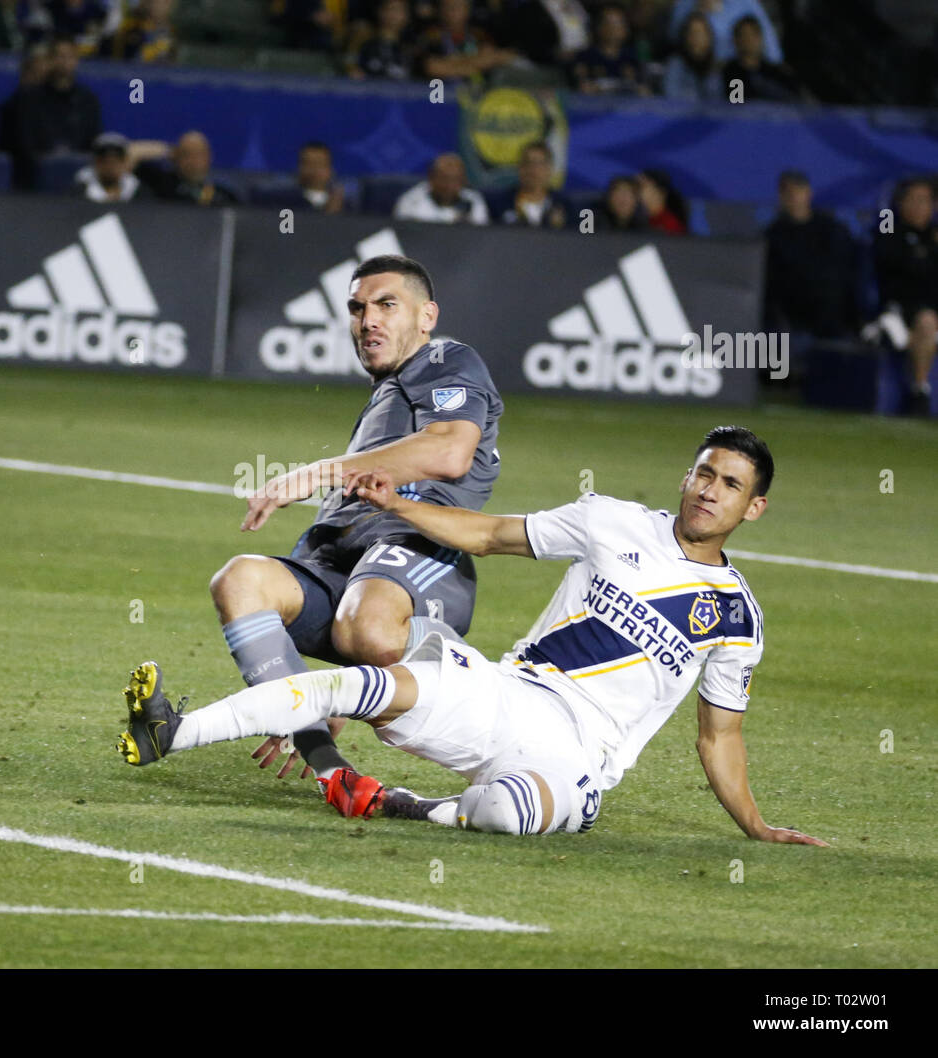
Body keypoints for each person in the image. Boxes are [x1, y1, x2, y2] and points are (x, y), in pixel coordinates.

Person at [118, 426, 829, 850]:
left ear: (753, 507)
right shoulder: (612, 520)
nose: (709, 489)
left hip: (580, 756)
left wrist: (757, 827)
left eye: (729, 484)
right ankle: (169, 733)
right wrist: (399, 504)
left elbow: (720, 737)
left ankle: (411, 807)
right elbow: (490, 535)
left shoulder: (737, 618)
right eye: (704, 471)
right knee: (359, 684)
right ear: (687, 474)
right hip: (506, 693)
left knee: (503, 813)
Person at [204, 253, 502, 797]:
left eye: (388, 305)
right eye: (358, 308)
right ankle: (324, 758)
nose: (369, 321)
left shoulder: (446, 359)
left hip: (420, 551)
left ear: (427, 316)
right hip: (342, 559)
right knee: (239, 579)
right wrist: (314, 687)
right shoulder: (388, 397)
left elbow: (451, 451)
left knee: (363, 625)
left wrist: (317, 472)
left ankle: (499, 734)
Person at [762, 170, 858, 340]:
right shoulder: (772, 236)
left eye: (798, 191)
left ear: (809, 193)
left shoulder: (832, 229)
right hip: (793, 311)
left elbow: (846, 269)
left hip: (832, 311)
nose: (793, 197)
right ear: (780, 196)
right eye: (787, 192)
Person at [874, 177, 938, 415]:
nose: (920, 206)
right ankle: (920, 391)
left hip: (931, 309)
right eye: (914, 199)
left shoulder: (933, 236)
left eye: (925, 200)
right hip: (898, 311)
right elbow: (895, 267)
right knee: (927, 321)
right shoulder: (889, 229)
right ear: (900, 203)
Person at [8, 34, 102, 188]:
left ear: (76, 60)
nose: (64, 62)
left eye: (70, 56)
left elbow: (93, 140)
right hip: (37, 174)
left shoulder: (87, 100)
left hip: (80, 174)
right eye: (59, 56)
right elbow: (24, 143)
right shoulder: (29, 98)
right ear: (50, 60)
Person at [133, 130, 238, 206]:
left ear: (209, 157)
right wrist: (167, 150)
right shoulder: (163, 183)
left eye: (199, 154)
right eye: (187, 154)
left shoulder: (223, 194)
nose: (193, 161)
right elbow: (131, 154)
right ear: (176, 157)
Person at [569, 2, 648, 96]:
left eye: (620, 23)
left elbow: (644, 89)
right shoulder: (585, 57)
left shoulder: (631, 58)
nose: (616, 29)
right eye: (611, 23)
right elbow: (580, 86)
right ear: (598, 27)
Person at [720, 15, 801, 102]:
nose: (748, 39)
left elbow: (794, 100)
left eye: (753, 34)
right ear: (735, 40)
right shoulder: (730, 72)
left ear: (761, 38)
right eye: (743, 35)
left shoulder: (777, 72)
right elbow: (736, 104)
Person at [393, 153, 489, 224]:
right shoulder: (411, 202)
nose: (450, 185)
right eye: (444, 179)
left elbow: (482, 236)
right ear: (431, 178)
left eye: (456, 179)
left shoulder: (473, 201)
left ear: (464, 181)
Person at [497, 139, 570, 229]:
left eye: (539, 164)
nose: (532, 169)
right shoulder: (500, 204)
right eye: (527, 162)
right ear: (519, 167)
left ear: (549, 169)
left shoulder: (565, 206)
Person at [256, 141, 347, 214]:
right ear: (299, 167)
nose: (314, 170)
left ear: (330, 169)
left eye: (320, 164)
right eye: (308, 163)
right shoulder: (284, 203)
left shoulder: (346, 207)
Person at [346, 0, 417, 80]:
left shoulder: (413, 46)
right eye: (389, 9)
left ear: (407, 16)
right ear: (380, 12)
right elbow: (349, 63)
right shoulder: (363, 39)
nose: (393, 15)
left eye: (398, 10)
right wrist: (352, 70)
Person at [661, 10, 722, 101]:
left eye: (700, 33)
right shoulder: (675, 65)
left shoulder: (717, 67)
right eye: (692, 33)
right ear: (685, 37)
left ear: (709, 37)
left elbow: (723, 100)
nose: (696, 38)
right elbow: (671, 97)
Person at [72, 131, 142, 201]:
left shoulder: (137, 190)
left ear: (124, 163)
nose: (110, 167)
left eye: (115, 162)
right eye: (105, 162)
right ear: (96, 163)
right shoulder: (80, 191)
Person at [637, 168, 687, 234]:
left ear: (660, 192)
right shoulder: (639, 219)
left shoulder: (672, 226)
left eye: (642, 186)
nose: (637, 192)